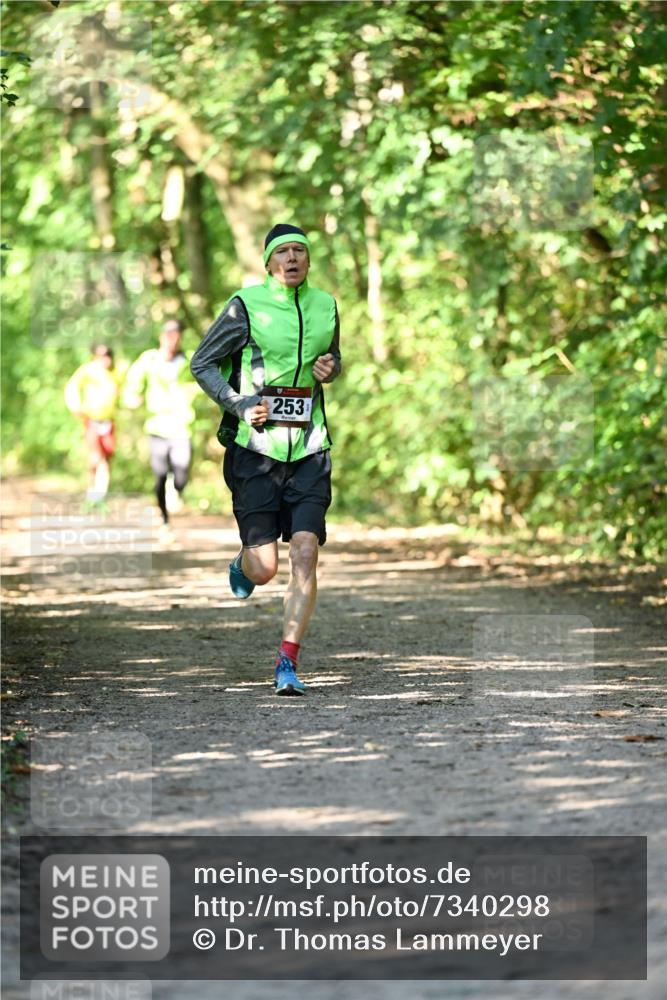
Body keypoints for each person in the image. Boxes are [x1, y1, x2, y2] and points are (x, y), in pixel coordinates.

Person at [191, 223, 342, 696]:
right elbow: (202, 363)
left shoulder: (326, 305)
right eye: (284, 252)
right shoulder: (245, 304)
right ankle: (244, 562)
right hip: (256, 449)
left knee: (305, 552)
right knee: (265, 568)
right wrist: (237, 403)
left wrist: (332, 368)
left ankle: (287, 662)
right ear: (269, 262)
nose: (293, 258)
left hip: (310, 446)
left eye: (301, 251)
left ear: (310, 261)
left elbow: (332, 359)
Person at [123, 319, 197, 539]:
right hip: (156, 426)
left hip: (183, 425)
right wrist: (132, 397)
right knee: (160, 476)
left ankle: (177, 490)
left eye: (177, 335)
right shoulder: (149, 359)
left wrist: (195, 393)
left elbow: (204, 379)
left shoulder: (188, 360)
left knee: (182, 472)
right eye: (169, 335)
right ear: (162, 337)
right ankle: (164, 520)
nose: (173, 339)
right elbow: (133, 382)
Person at [64, 343, 120, 509]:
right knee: (97, 458)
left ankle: (99, 495)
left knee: (106, 459)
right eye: (101, 355)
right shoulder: (88, 370)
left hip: (108, 422)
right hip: (92, 420)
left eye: (108, 354)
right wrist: (75, 406)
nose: (105, 359)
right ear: (95, 356)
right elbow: (72, 387)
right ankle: (94, 493)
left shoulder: (114, 373)